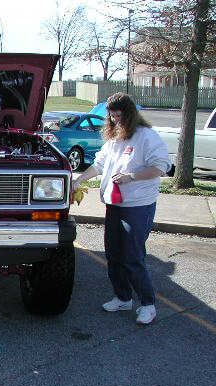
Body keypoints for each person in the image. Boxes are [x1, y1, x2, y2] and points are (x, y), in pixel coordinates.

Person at [73, 92, 171, 325]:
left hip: (137, 206)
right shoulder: (114, 139)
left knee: (133, 256)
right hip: (114, 204)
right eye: (112, 116)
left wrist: (132, 176)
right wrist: (79, 179)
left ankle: (148, 305)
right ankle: (123, 297)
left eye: (119, 115)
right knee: (113, 254)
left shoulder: (146, 136)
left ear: (130, 113)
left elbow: (161, 167)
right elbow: (98, 164)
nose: (115, 120)